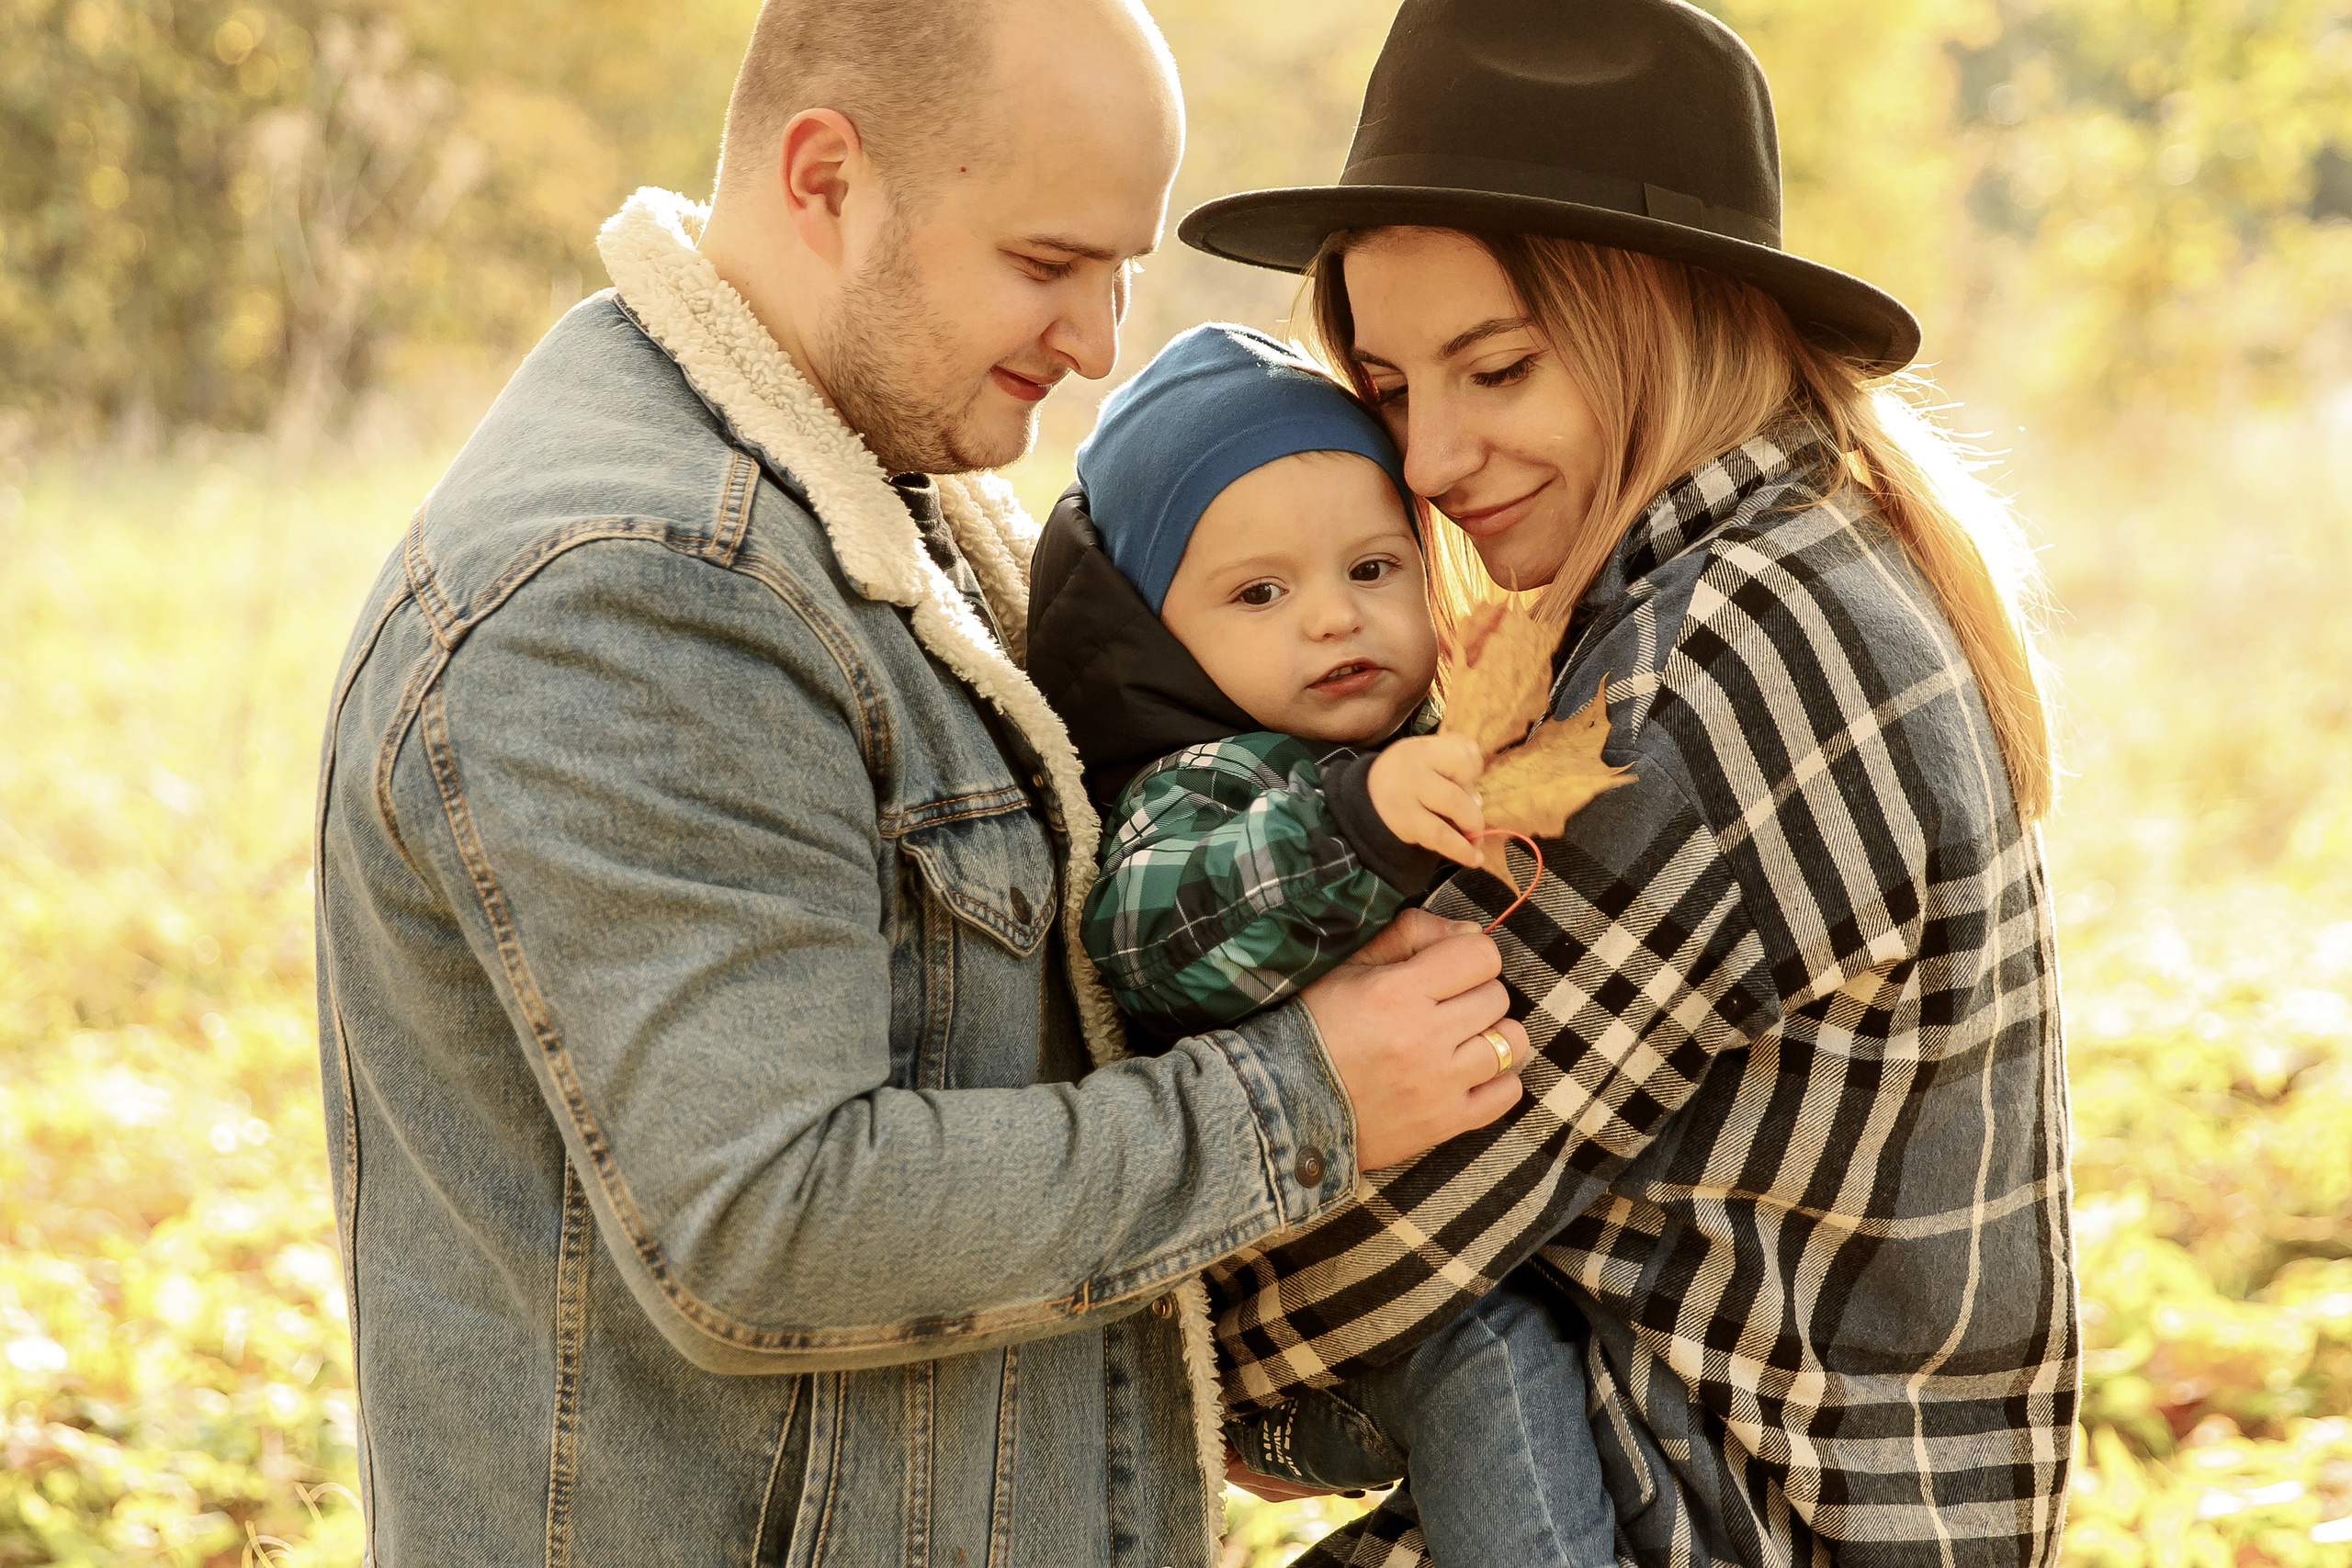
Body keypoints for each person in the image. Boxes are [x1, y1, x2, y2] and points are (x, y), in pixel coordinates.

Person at [309, 1, 1529, 1562]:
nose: (1097, 347)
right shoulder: (638, 591)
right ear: (825, 178)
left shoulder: (881, 504)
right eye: (1046, 265)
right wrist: (1305, 1102)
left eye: (1123, 274)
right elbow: (776, 1221)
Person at [1176, 1, 2078, 1564]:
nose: (1436, 460)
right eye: (1391, 390)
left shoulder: (1720, 657)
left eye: (1497, 369)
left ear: (1649, 321)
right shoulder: (1799, 559)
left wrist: (1111, 1286)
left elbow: (1384, 1231)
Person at [1023, 320, 1619, 1567]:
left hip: (1439, 1255)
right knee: (1491, 1360)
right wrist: (1353, 830)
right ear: (1156, 633)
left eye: (1372, 568)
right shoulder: (1192, 787)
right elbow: (1156, 939)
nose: (1333, 622)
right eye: (1259, 593)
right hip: (1299, 1343)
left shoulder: (1431, 733)